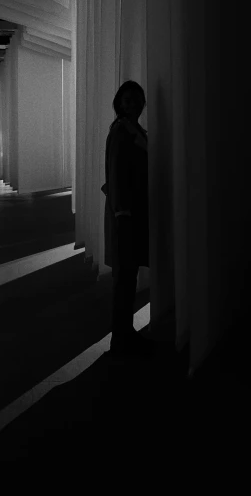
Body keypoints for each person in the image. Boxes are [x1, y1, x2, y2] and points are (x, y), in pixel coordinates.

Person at [101, 81, 154, 357]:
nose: (133, 103)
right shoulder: (121, 131)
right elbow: (116, 174)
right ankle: (120, 339)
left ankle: (124, 333)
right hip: (125, 216)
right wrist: (122, 213)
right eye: (127, 99)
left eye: (137, 99)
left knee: (128, 276)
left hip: (134, 215)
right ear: (119, 103)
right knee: (124, 277)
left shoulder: (137, 131)